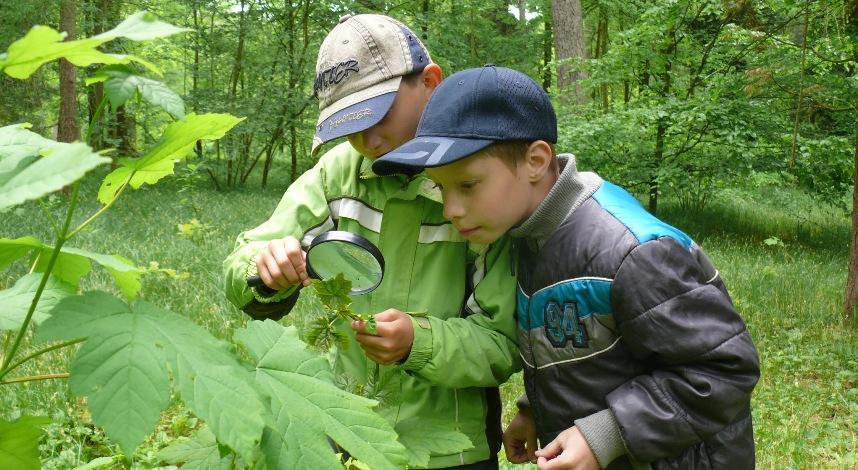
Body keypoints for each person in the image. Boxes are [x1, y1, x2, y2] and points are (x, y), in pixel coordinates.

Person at [372, 65, 760, 470]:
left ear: (536, 161)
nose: (451, 208)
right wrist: (533, 409)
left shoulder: (632, 252)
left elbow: (723, 370)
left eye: (467, 185)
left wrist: (606, 434)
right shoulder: (525, 235)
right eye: (441, 186)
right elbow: (572, 342)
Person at [223, 15, 520, 469]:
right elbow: (244, 258)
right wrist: (264, 269)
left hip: (453, 448)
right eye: (348, 125)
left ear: (430, 82)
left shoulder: (478, 184)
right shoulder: (336, 174)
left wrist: (417, 342)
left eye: (378, 114)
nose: (368, 138)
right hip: (350, 431)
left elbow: (503, 340)